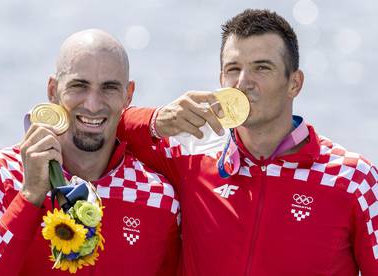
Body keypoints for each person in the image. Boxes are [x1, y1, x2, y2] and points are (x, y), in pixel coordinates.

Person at [118, 9, 378, 275]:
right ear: (221, 81)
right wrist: (156, 120)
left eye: (262, 68)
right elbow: (102, 128)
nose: (243, 82)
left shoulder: (353, 180)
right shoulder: (188, 157)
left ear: (295, 83)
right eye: (233, 69)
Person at [0, 29, 180, 275]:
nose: (93, 104)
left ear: (128, 95)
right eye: (79, 85)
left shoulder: (160, 197)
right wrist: (30, 196)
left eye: (109, 88)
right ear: (53, 90)